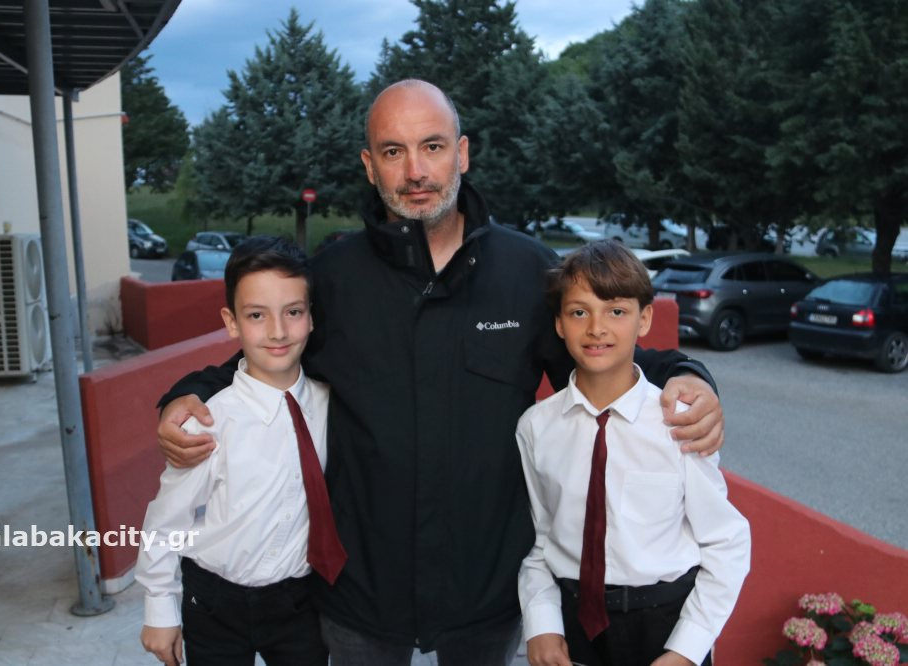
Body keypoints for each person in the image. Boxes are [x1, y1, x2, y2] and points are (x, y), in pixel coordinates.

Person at [155, 79, 726, 665]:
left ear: (462, 152)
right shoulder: (333, 278)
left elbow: (601, 359)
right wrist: (186, 394)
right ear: (370, 166)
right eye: (393, 151)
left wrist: (687, 372)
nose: (415, 171)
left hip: (487, 593)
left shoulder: (527, 270)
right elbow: (263, 357)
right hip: (361, 594)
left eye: (432, 146)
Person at [518, 241, 750, 666]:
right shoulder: (536, 427)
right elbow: (540, 539)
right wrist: (541, 623)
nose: (597, 328)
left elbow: (726, 541)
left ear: (644, 320)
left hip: (665, 626)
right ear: (559, 324)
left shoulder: (679, 423)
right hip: (574, 626)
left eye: (616, 311)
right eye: (579, 312)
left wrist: (687, 649)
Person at [136, 236, 337, 666]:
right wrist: (159, 610)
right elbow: (166, 522)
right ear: (232, 323)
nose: (278, 331)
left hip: (301, 601)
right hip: (215, 603)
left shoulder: (330, 406)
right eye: (256, 315)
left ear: (312, 317)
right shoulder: (209, 420)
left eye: (293, 312)